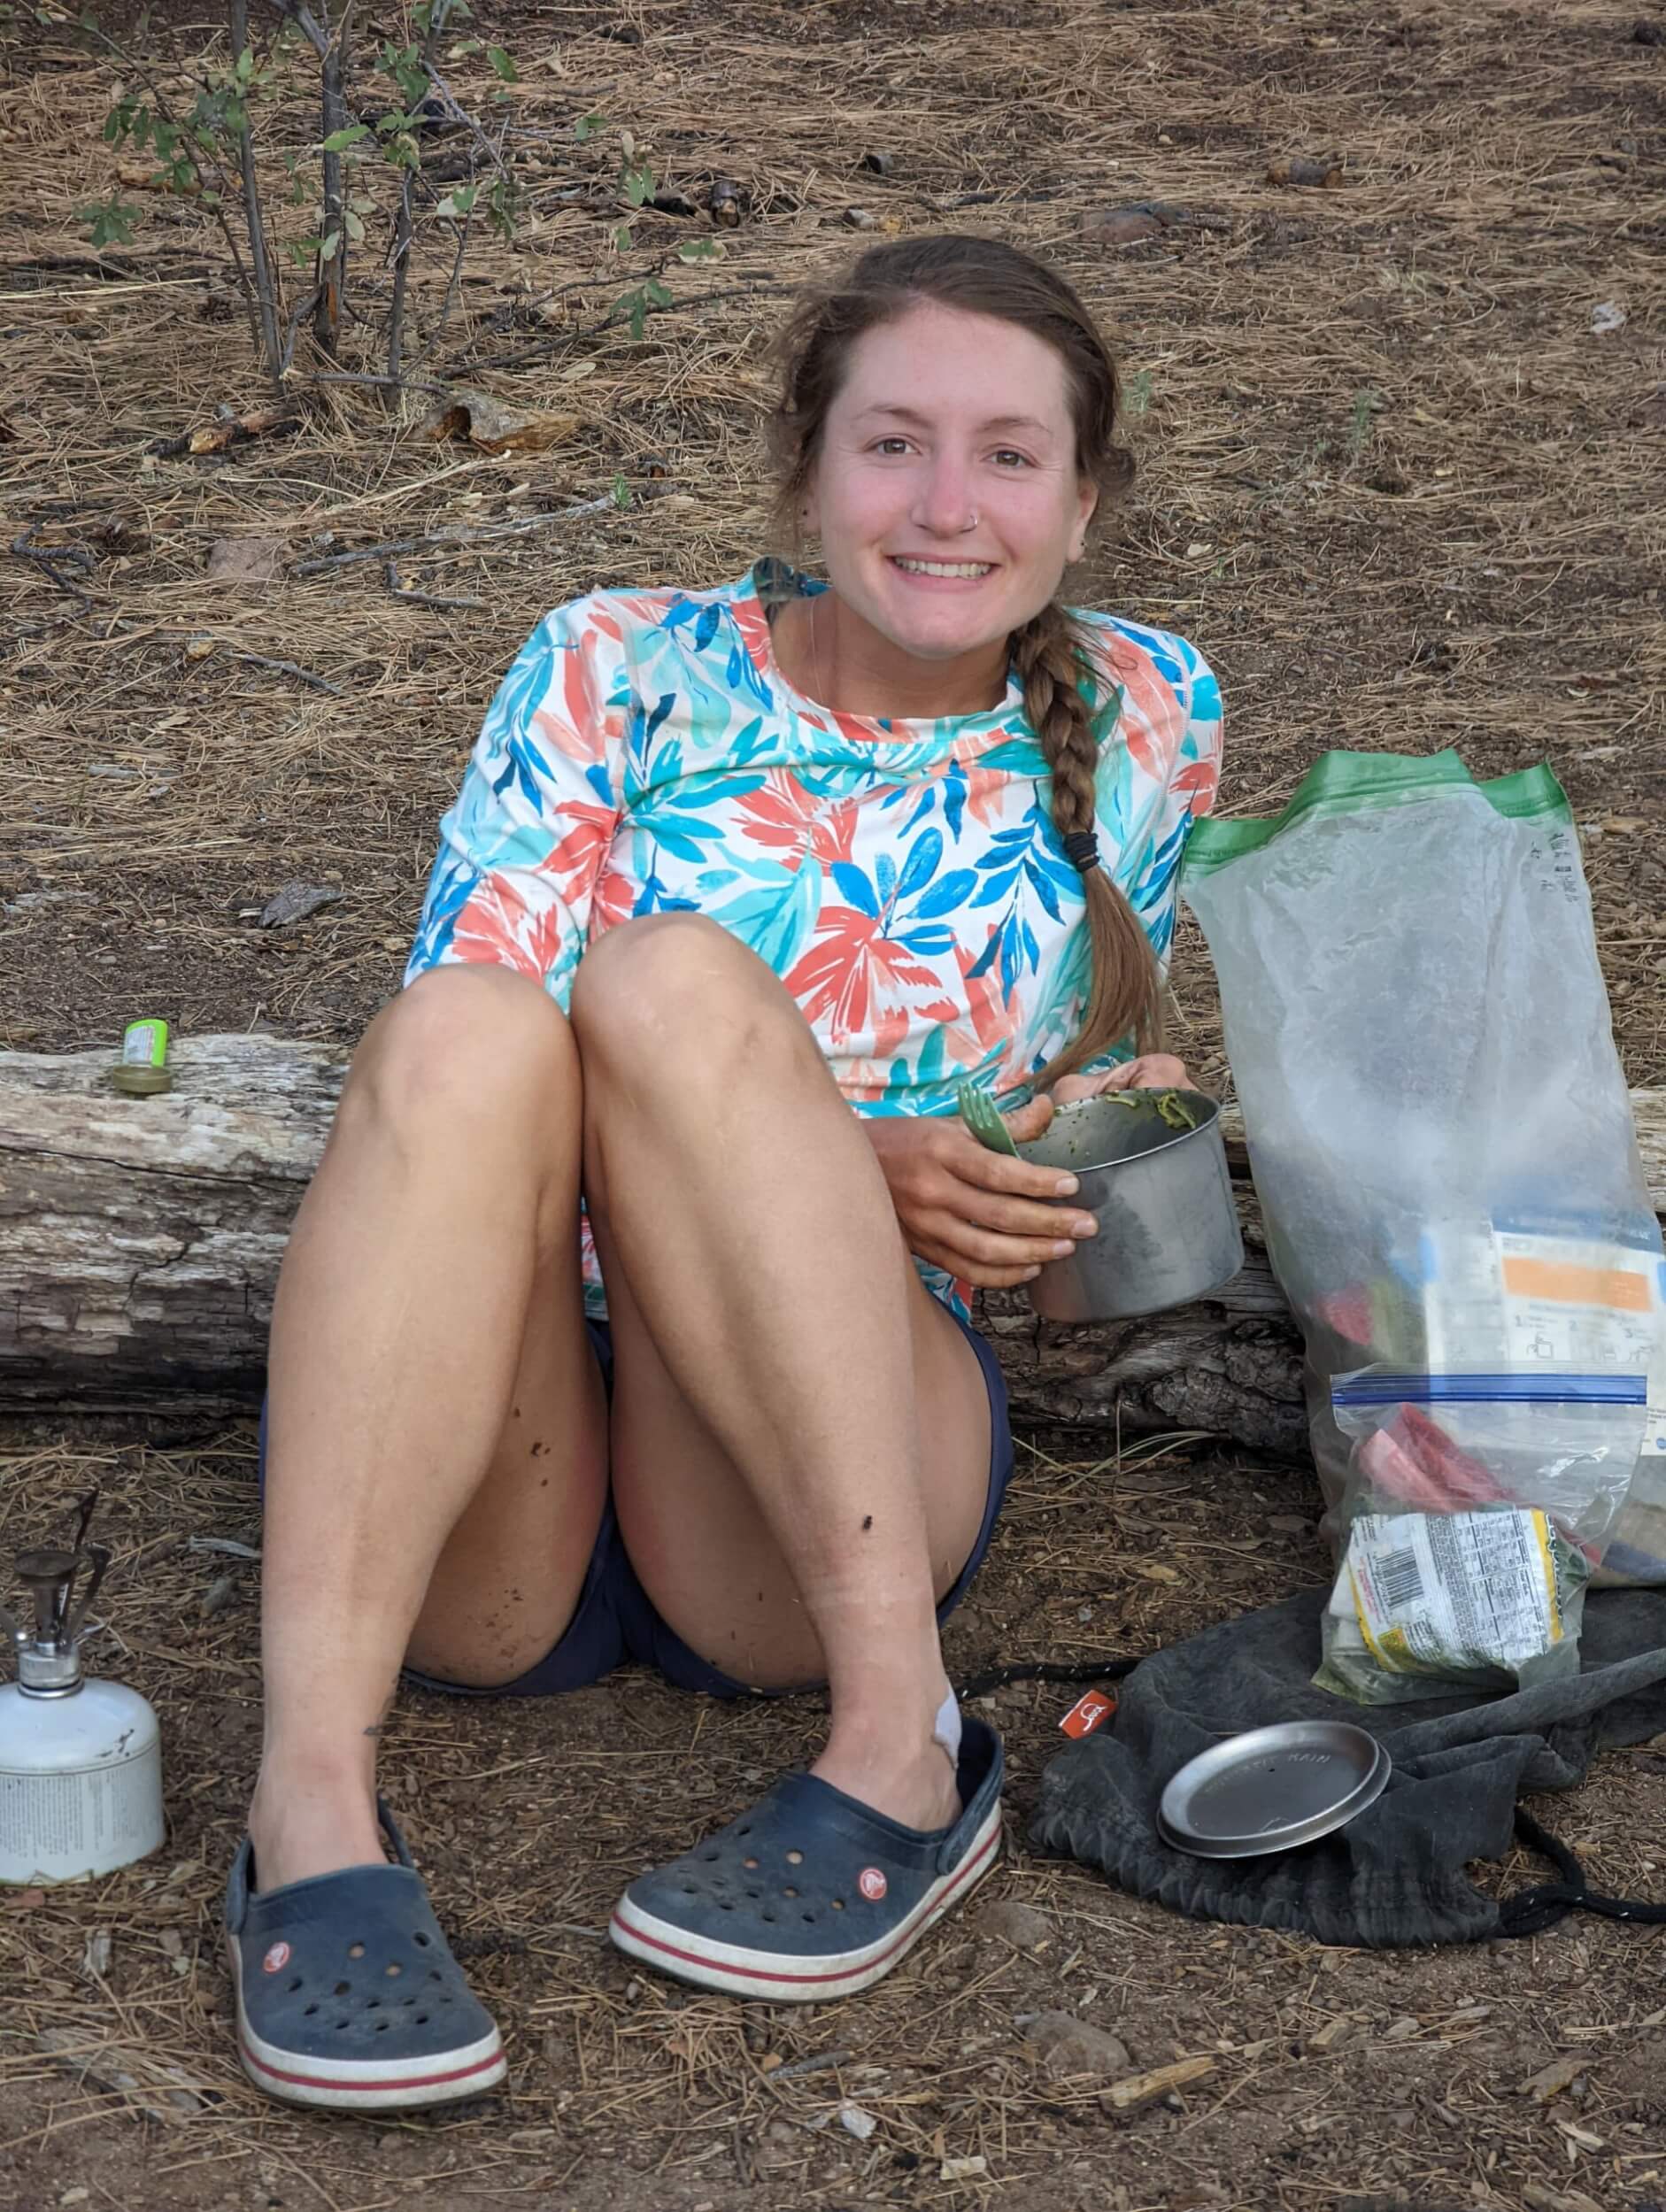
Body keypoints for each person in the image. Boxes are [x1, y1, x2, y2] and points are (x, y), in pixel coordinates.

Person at [222, 233, 1223, 2114]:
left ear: (1081, 502)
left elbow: (1060, 1124)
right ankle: (309, 1802)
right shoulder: (615, 664)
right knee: (483, 1022)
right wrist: (842, 1151)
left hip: (810, 1482)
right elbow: (465, 1099)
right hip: (487, 1460)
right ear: (804, 468)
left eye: (1008, 455)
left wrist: (1070, 1140)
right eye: (892, 443)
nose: (946, 506)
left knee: (669, 979)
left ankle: (901, 1744)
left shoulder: (1149, 706)